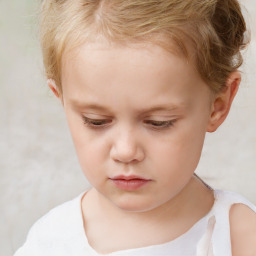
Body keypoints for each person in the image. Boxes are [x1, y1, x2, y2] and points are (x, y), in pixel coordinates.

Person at [14, 0, 256, 255]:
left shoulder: (238, 236)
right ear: (61, 99)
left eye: (158, 122)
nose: (126, 151)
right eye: (95, 121)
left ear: (217, 105)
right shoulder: (50, 241)